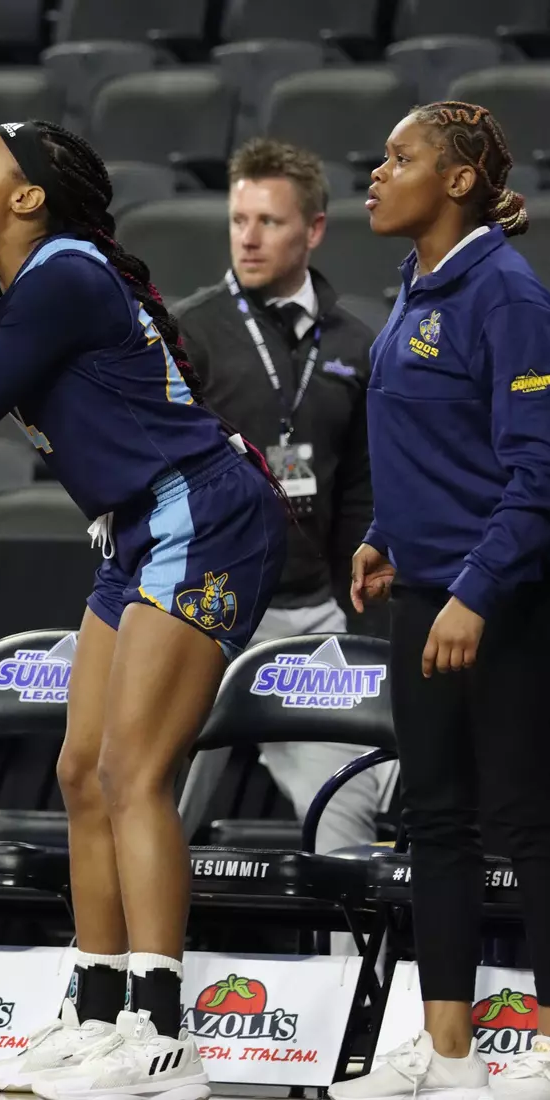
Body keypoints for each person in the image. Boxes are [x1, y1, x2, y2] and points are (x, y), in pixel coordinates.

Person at [0, 120, 286, 1099]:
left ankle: (162, 1031)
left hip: (200, 509)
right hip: (133, 526)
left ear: (28, 198)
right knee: (80, 767)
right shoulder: (10, 292)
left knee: (131, 766)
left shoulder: (66, 276)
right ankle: (96, 1006)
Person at [331, 101, 550, 1100]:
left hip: (500, 602)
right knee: (434, 822)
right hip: (423, 593)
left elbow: (536, 473)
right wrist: (383, 534)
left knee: (526, 817)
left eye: (398, 157)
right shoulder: (414, 286)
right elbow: (425, 449)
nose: (374, 174)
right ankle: (445, 1047)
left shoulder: (505, 295)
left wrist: (473, 588)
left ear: (455, 179)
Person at [176, 139, 391, 862]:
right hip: (207, 610)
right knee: (151, 801)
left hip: (310, 615)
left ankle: (347, 973)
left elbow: (361, 486)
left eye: (268, 221)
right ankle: (120, 965)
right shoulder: (188, 333)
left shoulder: (356, 345)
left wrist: (347, 593)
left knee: (347, 801)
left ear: (314, 230)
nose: (247, 236)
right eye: (239, 219)